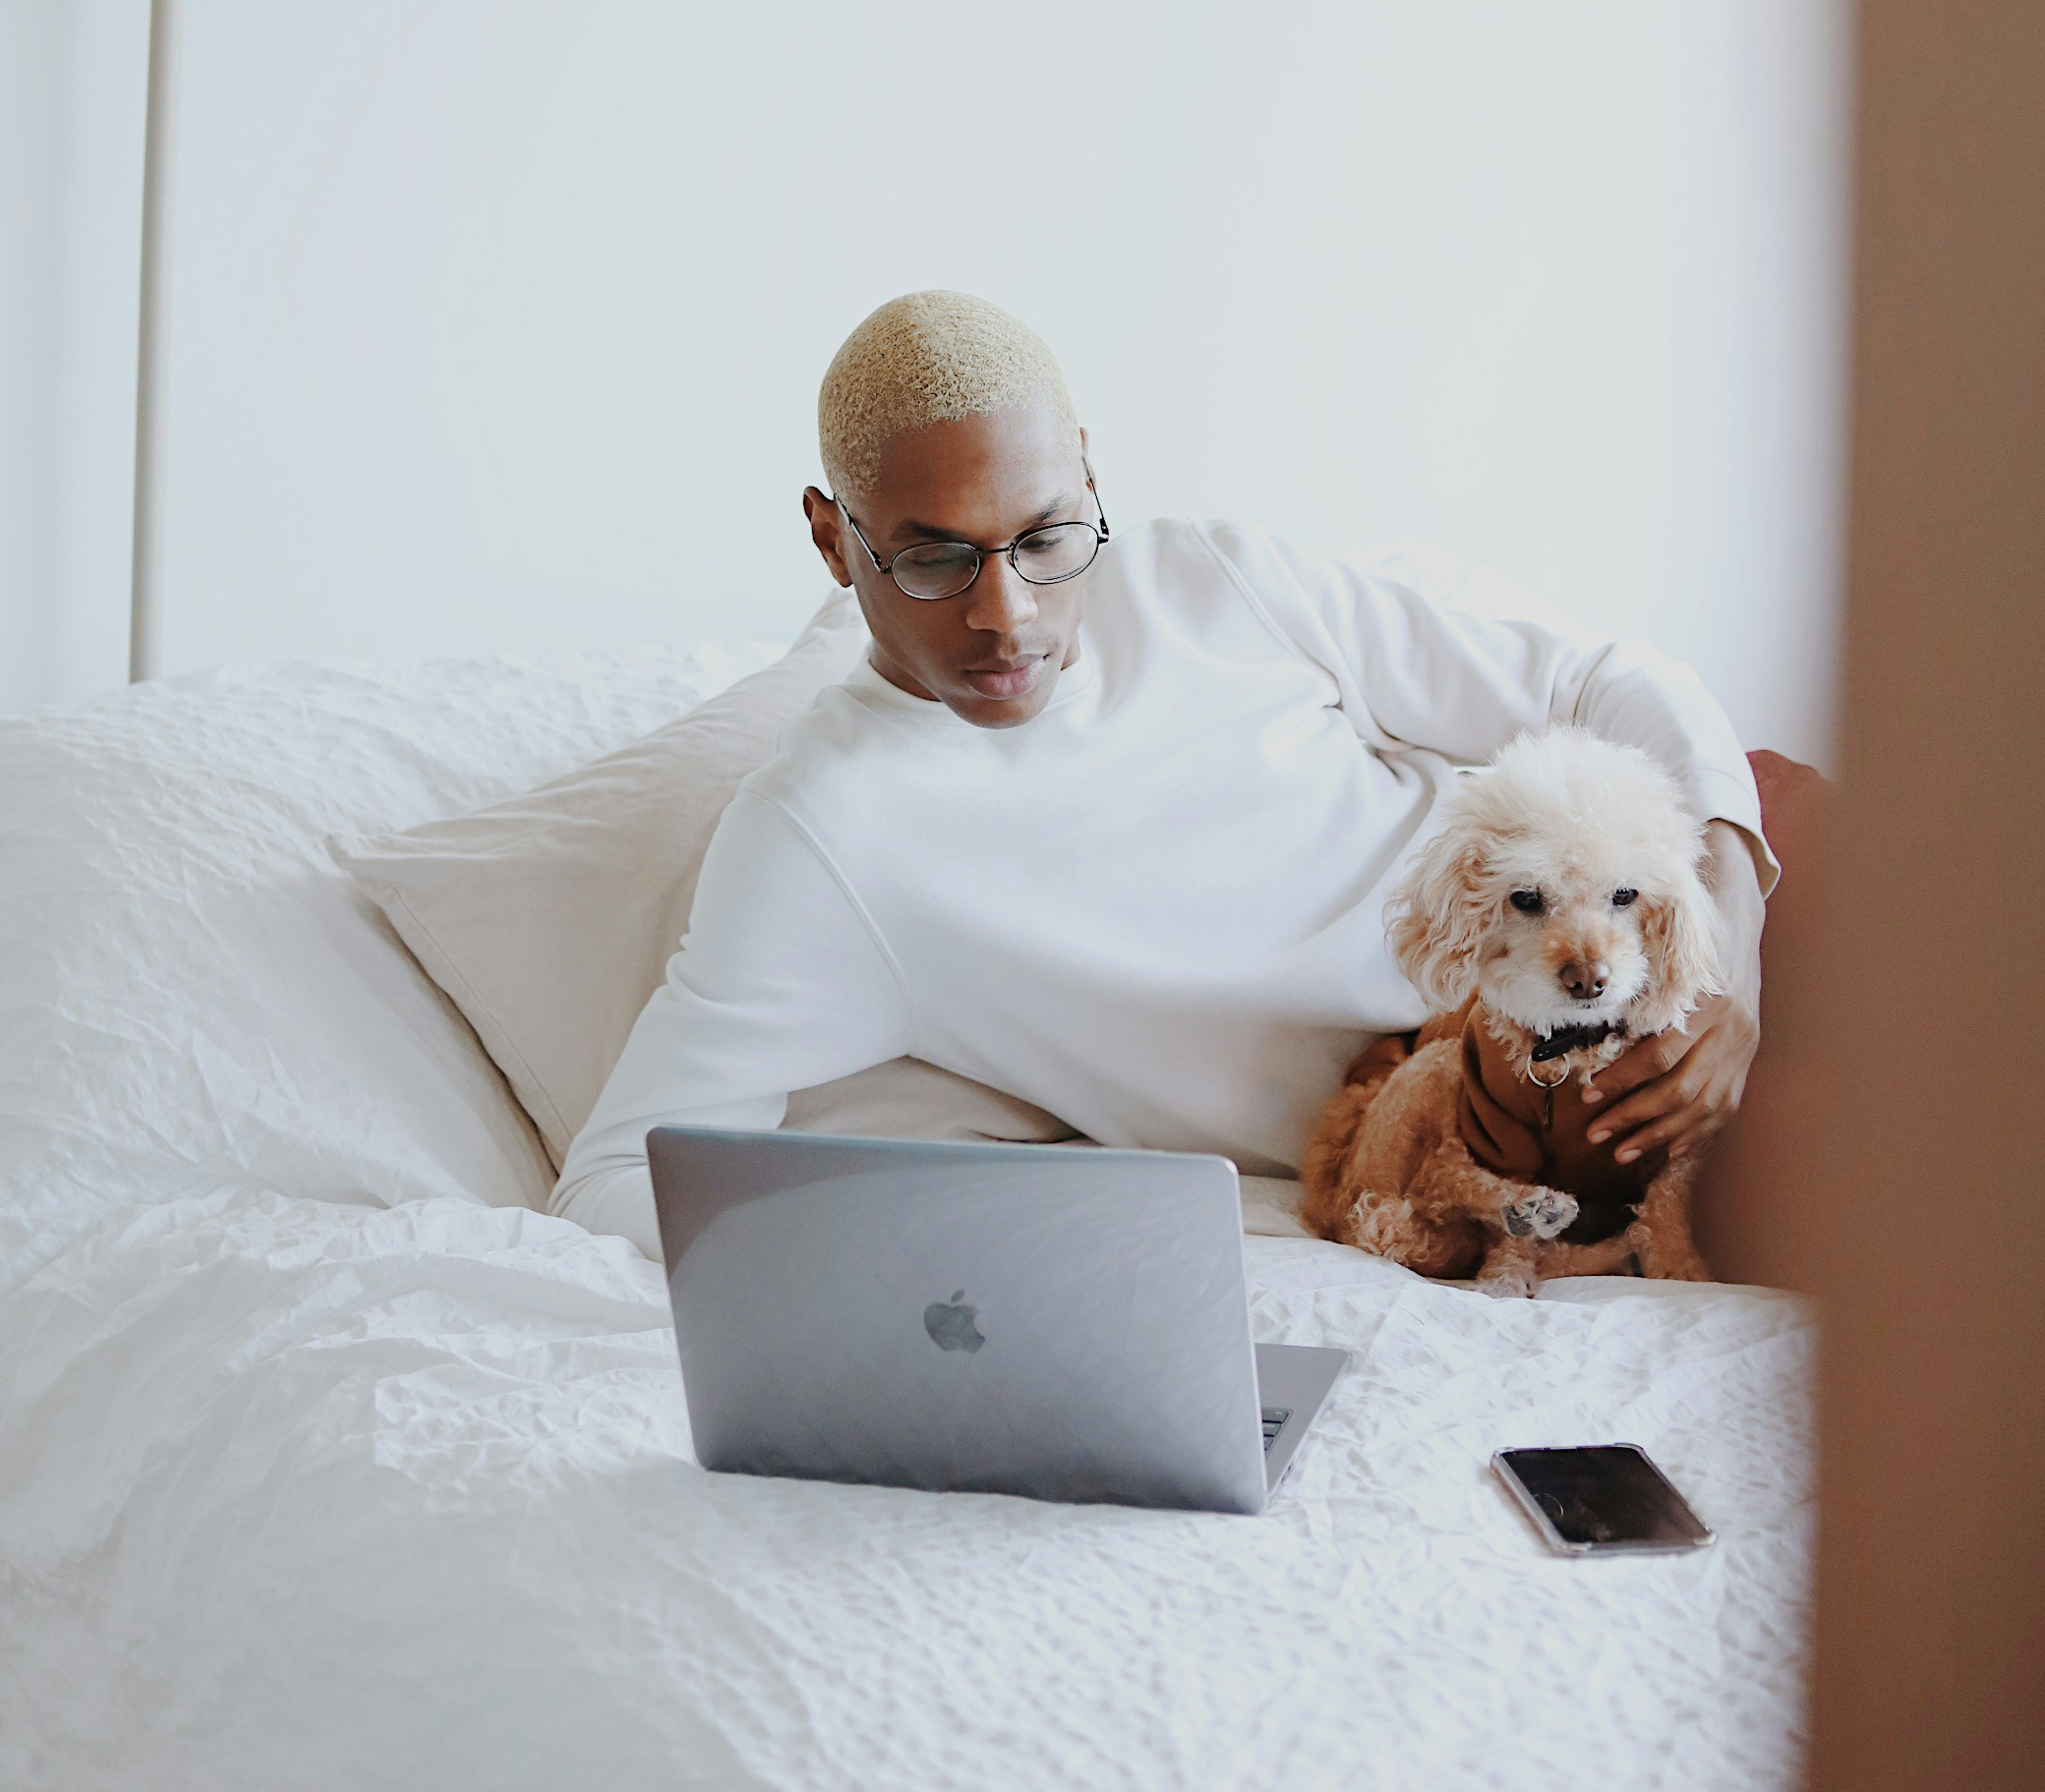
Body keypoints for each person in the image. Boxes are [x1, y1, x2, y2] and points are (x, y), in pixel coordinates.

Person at [551, 292, 1772, 1258]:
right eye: (933, 559)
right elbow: (614, 1181)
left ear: (1085, 472)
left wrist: (1732, 966)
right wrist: (924, 1239)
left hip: (1667, 956)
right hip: (1461, 1149)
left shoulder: (1209, 581)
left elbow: (1604, 685)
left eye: (1044, 537)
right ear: (832, 537)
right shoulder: (826, 832)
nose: (1007, 615)